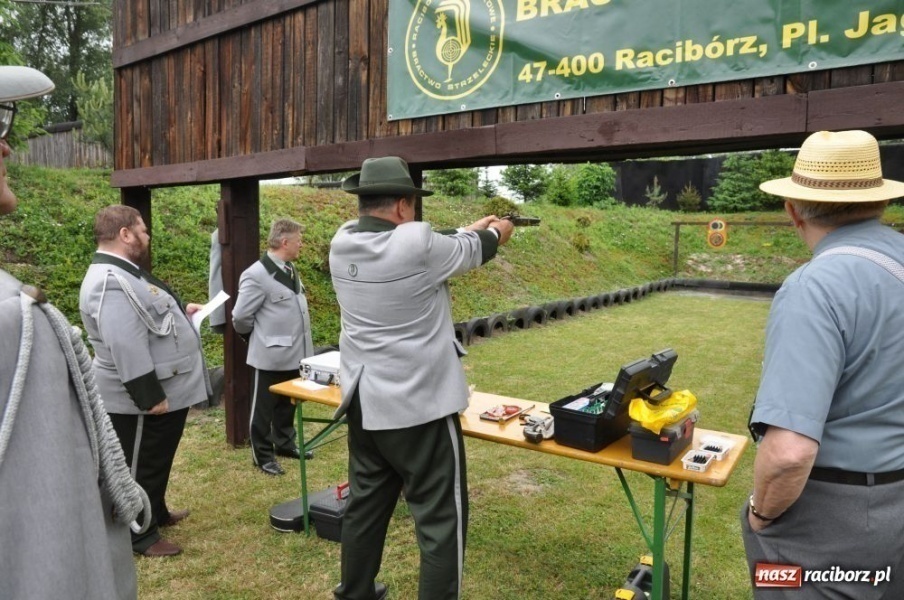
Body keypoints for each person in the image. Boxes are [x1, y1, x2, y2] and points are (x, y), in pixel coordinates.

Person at [329, 156, 514, 600]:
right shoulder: (418, 245)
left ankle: (354, 592)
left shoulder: (342, 241)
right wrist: (498, 230)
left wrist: (466, 229)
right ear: (401, 207)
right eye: (411, 204)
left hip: (364, 402)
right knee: (440, 523)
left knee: (366, 508)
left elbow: (430, 242)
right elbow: (477, 248)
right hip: (420, 409)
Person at [0, 66, 148, 598]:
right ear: (126, 233)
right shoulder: (14, 320)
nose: (8, 148)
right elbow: (47, 530)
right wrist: (149, 392)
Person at [743, 130, 904, 599]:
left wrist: (762, 514)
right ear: (877, 203)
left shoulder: (814, 287)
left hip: (834, 520)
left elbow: (789, 453)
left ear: (793, 209)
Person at [79, 204, 210, 557]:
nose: (147, 236)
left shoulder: (126, 274)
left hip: (163, 388)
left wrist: (182, 315)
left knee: (157, 460)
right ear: (125, 234)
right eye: (143, 229)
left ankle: (157, 511)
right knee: (139, 465)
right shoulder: (112, 280)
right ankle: (140, 536)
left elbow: (146, 322)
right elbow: (124, 342)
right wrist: (148, 396)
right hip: (139, 398)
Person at [232, 218, 313, 476]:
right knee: (262, 410)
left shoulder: (289, 268)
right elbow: (241, 317)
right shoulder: (256, 274)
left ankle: (285, 444)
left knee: (288, 405)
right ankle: (262, 456)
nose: (301, 244)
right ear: (284, 241)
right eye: (298, 240)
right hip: (269, 356)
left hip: (295, 354)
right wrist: (255, 340)